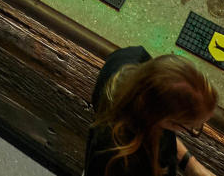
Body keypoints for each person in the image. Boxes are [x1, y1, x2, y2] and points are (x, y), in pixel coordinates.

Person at [85, 45, 216, 176]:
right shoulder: (118, 162)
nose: (195, 128)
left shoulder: (134, 58)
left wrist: (191, 164)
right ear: (161, 118)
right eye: (193, 127)